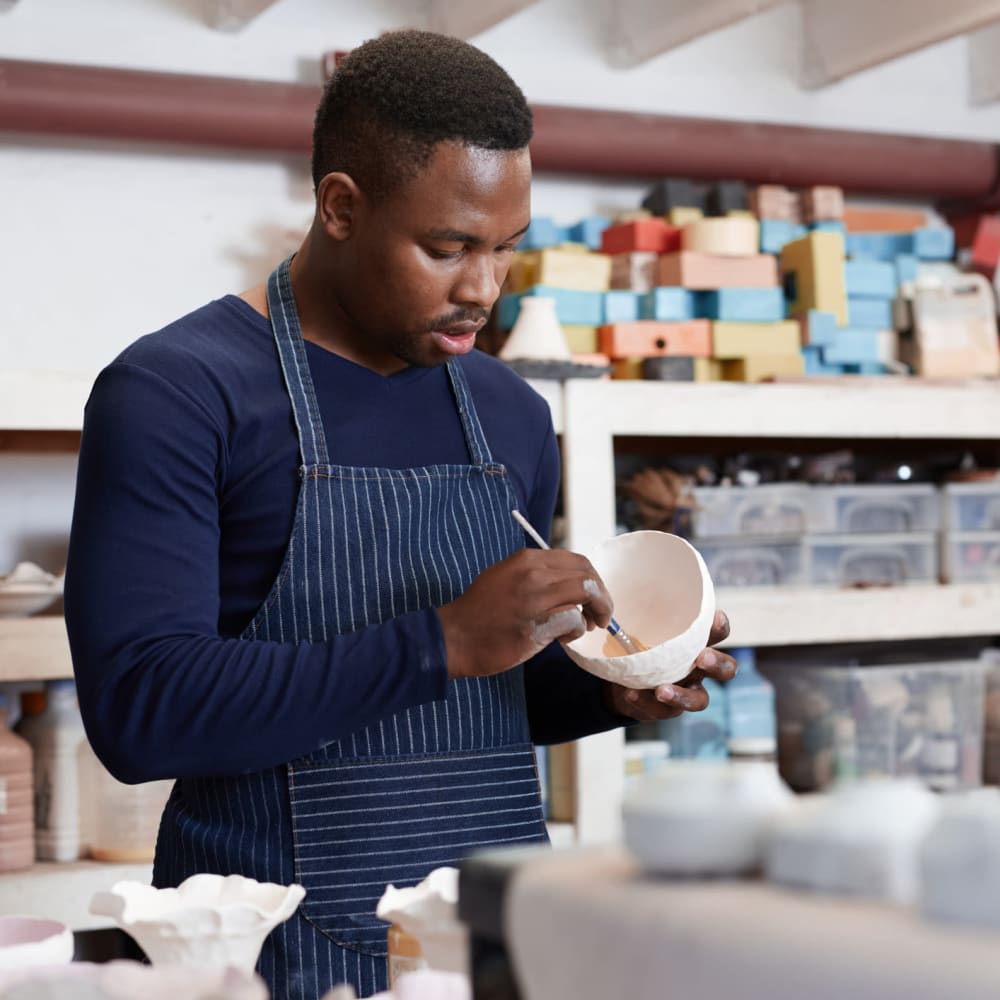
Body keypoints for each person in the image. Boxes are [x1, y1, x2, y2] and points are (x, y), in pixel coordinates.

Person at [64, 29, 737, 1000]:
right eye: (447, 247)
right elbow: (141, 712)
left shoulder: (508, 413)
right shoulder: (179, 391)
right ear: (341, 206)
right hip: (266, 960)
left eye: (505, 250)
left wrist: (607, 687)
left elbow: (485, 699)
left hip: (490, 945)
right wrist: (444, 639)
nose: (482, 290)